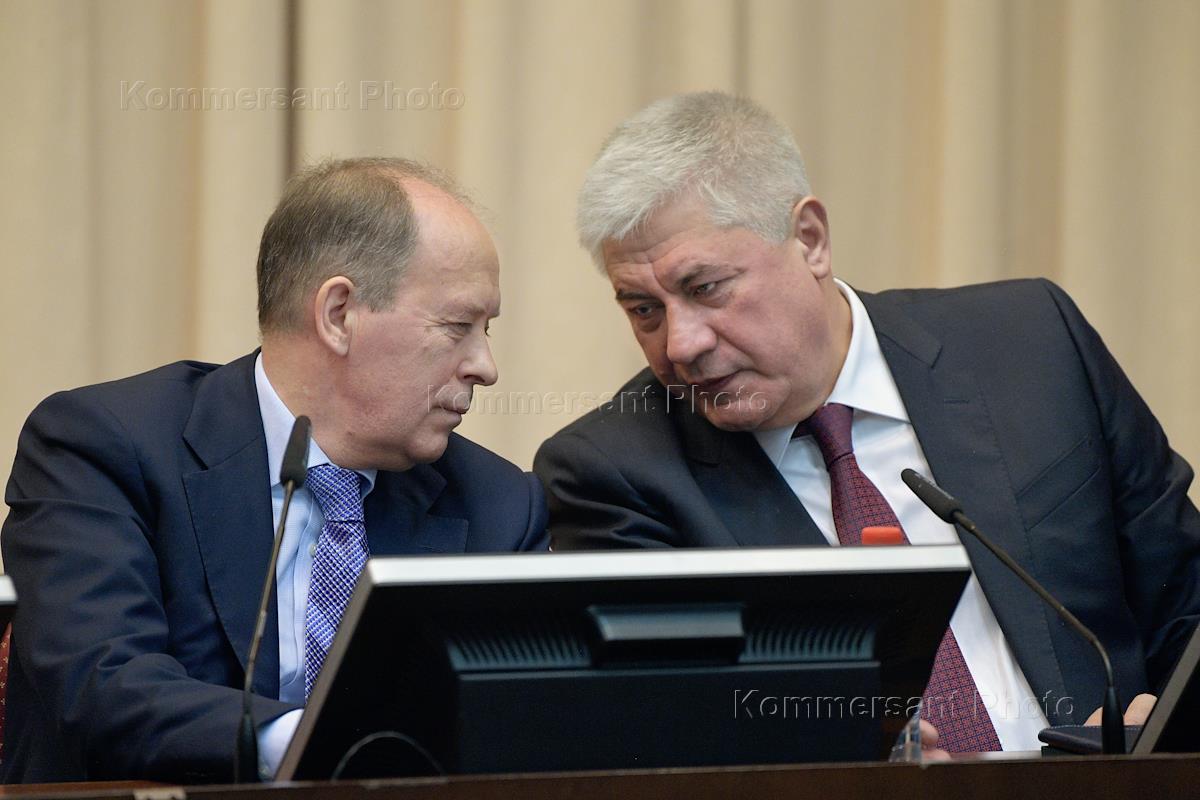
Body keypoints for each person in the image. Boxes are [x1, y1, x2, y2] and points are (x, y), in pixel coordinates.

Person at [534, 92, 1200, 753]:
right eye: (643, 310)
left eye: (705, 289)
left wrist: (1166, 728)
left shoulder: (1030, 344)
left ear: (810, 240)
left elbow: (1184, 599)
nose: (681, 345)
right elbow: (670, 732)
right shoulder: (614, 473)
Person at [2, 157, 548, 783]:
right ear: (339, 314)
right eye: (457, 327)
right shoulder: (102, 446)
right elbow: (105, 687)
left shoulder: (500, 505)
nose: (485, 367)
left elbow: (522, 726)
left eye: (487, 331)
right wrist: (314, 747)